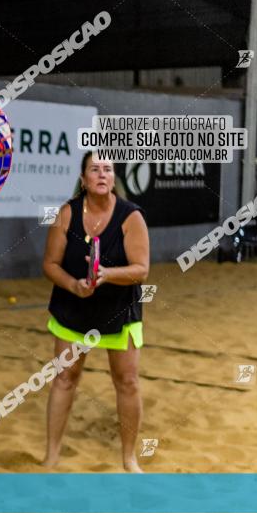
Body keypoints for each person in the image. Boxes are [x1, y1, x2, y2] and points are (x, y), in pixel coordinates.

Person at [41, 152, 150, 472]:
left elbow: (141, 270)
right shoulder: (67, 213)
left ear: (114, 177)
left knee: (127, 382)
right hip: (73, 305)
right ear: (83, 178)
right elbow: (49, 265)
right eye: (94, 169)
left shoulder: (131, 216)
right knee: (64, 379)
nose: (102, 174)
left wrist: (106, 275)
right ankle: (51, 456)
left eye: (108, 169)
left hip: (118, 309)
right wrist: (73, 285)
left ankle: (129, 458)